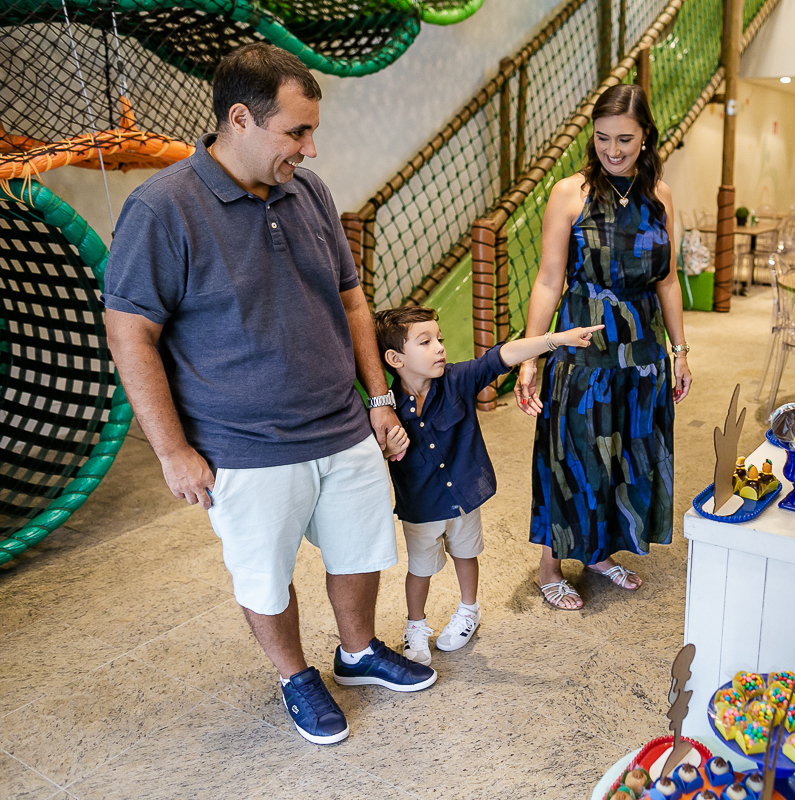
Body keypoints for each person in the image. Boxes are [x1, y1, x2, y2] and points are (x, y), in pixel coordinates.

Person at [102, 43, 435, 747]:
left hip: (341, 425)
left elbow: (351, 303)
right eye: (297, 132)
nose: (311, 148)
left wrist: (378, 400)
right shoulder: (162, 209)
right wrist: (172, 451)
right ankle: (294, 675)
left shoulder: (307, 193)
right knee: (266, 575)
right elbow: (131, 335)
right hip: (245, 446)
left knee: (359, 551)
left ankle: (358, 652)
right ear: (240, 120)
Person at [515, 83, 693, 611]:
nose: (613, 151)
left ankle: (598, 551)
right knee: (573, 453)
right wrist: (531, 356)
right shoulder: (569, 194)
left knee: (628, 455)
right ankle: (550, 564)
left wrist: (680, 351)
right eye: (602, 139)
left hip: (642, 352)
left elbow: (667, 280)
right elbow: (549, 280)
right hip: (583, 347)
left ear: (646, 138)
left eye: (625, 140)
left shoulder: (659, 195)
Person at [373, 306, 602, 662]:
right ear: (394, 358)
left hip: (464, 497)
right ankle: (415, 626)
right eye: (425, 342)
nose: (439, 348)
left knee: (466, 555)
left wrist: (555, 340)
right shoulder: (385, 412)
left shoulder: (456, 380)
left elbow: (502, 356)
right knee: (420, 570)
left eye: (440, 339)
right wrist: (386, 452)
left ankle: (469, 611)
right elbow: (368, 457)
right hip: (420, 508)